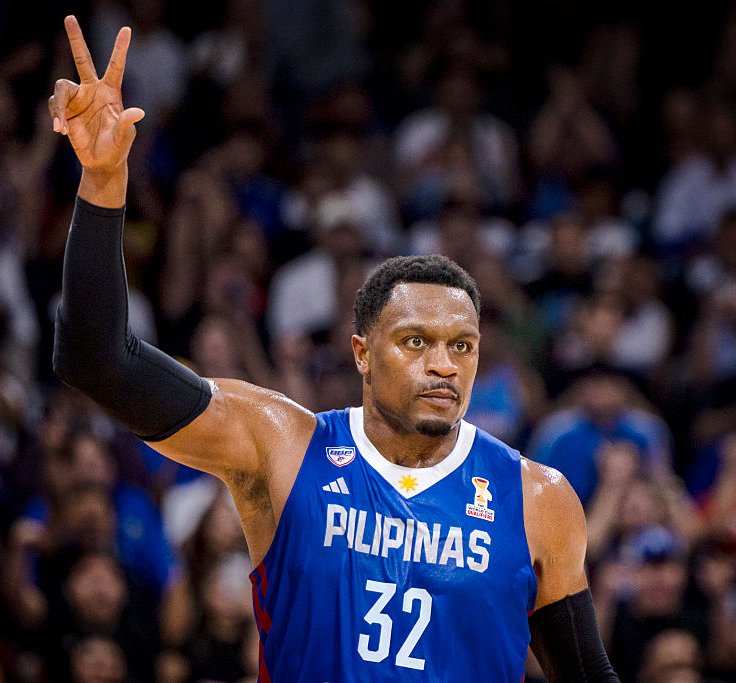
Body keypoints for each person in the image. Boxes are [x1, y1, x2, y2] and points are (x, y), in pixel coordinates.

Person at [48, 16, 618, 681]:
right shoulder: (283, 447)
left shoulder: (537, 497)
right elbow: (99, 360)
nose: (443, 364)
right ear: (361, 353)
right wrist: (103, 180)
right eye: (415, 341)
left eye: (462, 346)